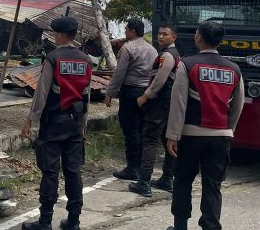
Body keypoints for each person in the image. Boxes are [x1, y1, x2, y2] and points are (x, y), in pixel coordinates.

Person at [165, 20, 244, 230]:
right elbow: (238, 106)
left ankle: (180, 225)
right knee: (213, 184)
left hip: (191, 135)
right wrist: (229, 130)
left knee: (182, 181)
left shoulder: (187, 64)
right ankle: (211, 226)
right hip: (221, 137)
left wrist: (172, 135)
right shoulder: (234, 69)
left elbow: (178, 103)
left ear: (199, 37)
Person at [21, 16, 92, 230]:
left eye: (54, 33)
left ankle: (44, 222)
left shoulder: (53, 58)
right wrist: (83, 125)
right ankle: (73, 221)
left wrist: (29, 120)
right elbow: (86, 95)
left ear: (60, 35)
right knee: (73, 171)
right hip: (76, 124)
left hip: (53, 124)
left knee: (50, 172)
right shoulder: (86, 60)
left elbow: (41, 94)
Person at [129, 23, 180, 197]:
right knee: (168, 142)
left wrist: (146, 96)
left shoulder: (167, 55)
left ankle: (144, 182)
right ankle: (167, 178)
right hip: (169, 105)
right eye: (159, 33)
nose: (160, 37)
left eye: (165, 34)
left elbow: (160, 79)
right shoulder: (172, 54)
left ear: (173, 37)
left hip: (160, 104)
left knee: (150, 140)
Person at [104, 18, 157, 180]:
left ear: (133, 31)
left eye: (127, 29)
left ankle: (132, 168)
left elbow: (120, 73)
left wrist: (110, 92)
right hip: (147, 92)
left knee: (130, 129)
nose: (125, 32)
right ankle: (141, 167)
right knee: (142, 129)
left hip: (131, 92)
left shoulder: (128, 48)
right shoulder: (152, 49)